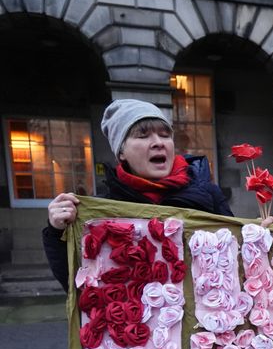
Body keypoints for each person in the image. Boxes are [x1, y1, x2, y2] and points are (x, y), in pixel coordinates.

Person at [42, 99, 232, 292]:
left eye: (165, 135)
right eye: (143, 136)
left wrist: (260, 235)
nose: (158, 143)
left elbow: (236, 257)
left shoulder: (208, 194)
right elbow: (76, 282)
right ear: (121, 152)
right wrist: (57, 232)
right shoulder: (103, 210)